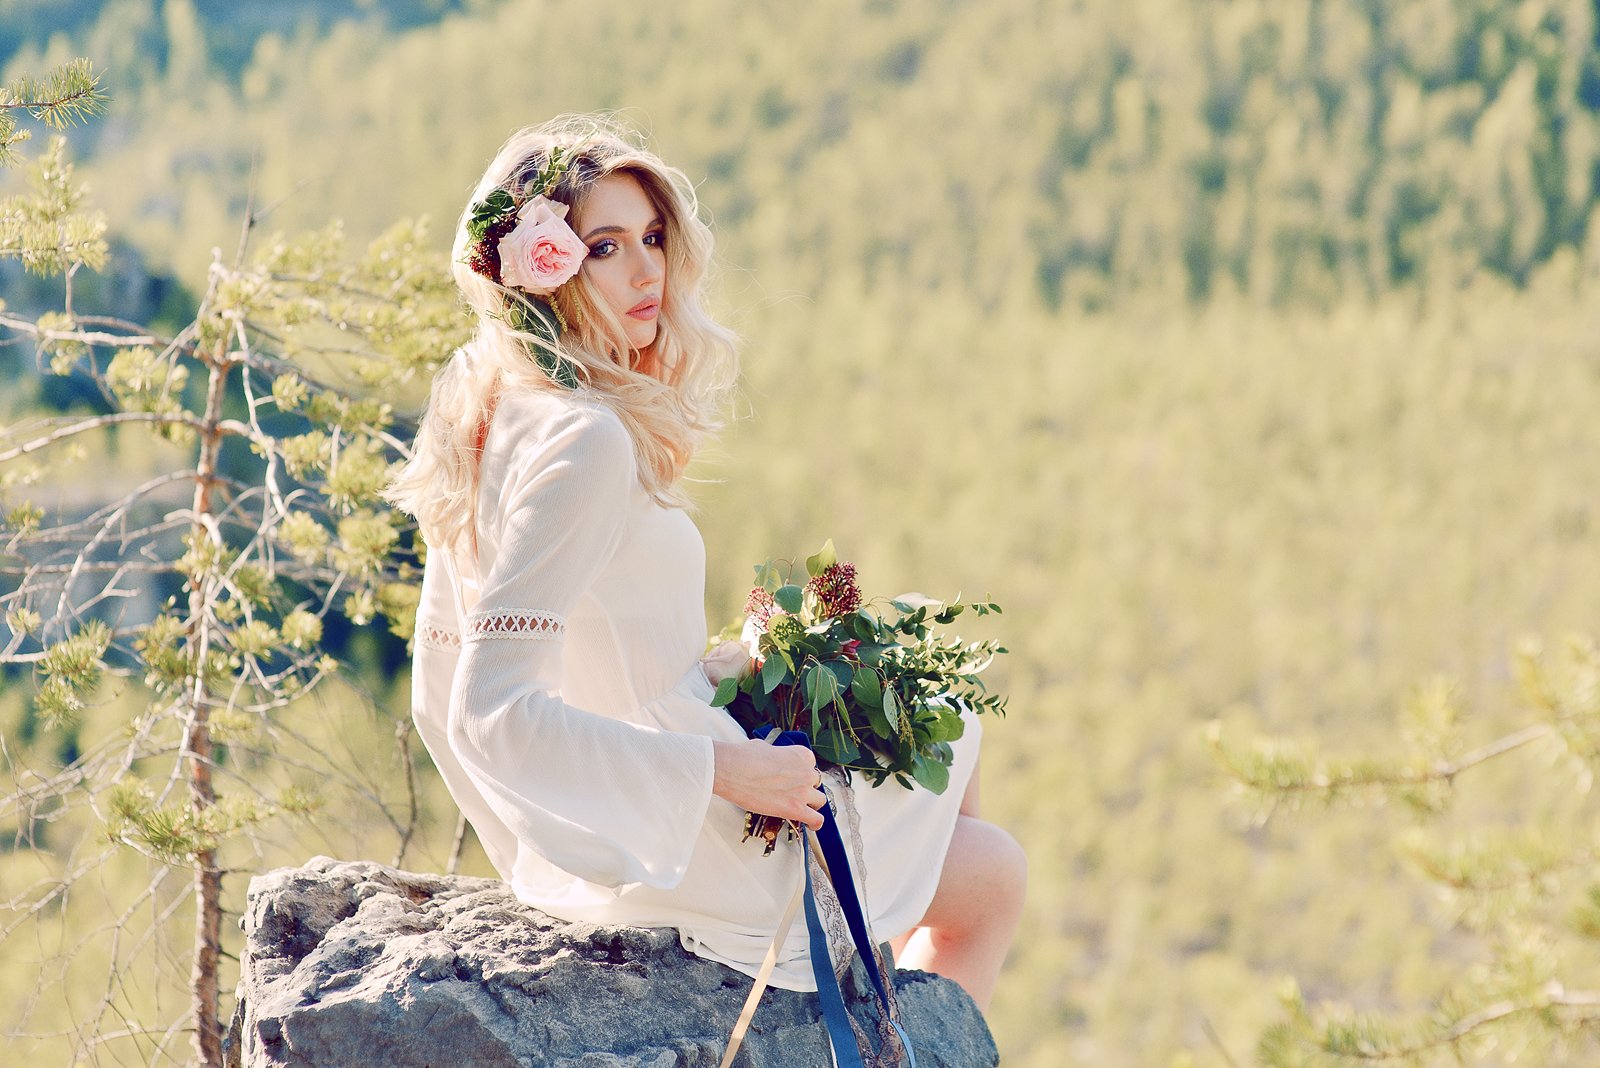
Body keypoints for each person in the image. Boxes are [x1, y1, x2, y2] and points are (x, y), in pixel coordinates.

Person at [385, 116, 1026, 1012]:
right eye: (605, 247)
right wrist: (722, 772)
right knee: (993, 870)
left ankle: (890, 1001)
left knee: (944, 721)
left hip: (625, 808)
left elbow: (472, 679)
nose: (647, 270)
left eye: (651, 237)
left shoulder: (497, 397)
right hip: (670, 831)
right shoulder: (586, 442)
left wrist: (719, 670)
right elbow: (489, 711)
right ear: (542, 268)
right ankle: (895, 1024)